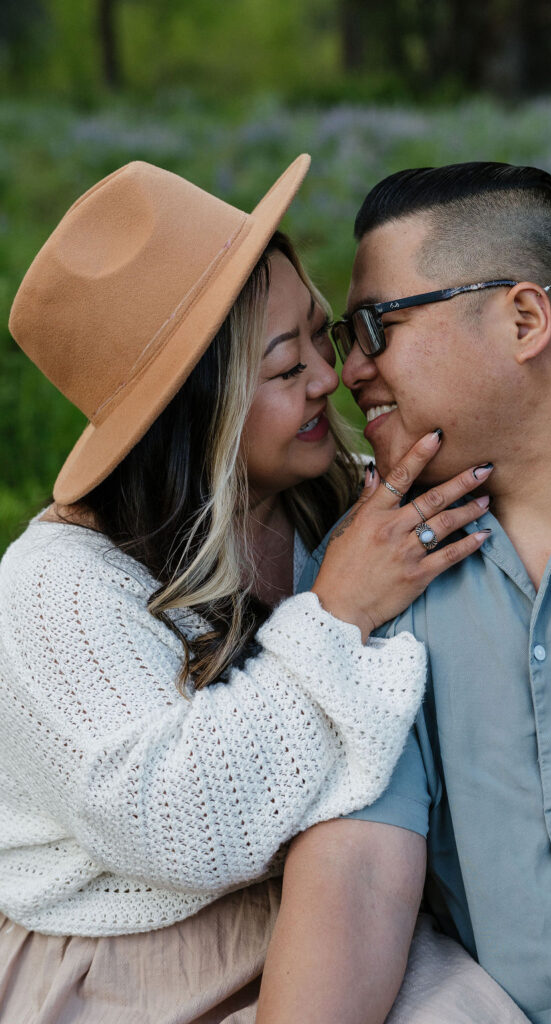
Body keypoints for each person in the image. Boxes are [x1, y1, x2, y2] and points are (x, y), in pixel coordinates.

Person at [0, 157, 492, 1023]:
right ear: (195, 413)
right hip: (124, 960)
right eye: (279, 366)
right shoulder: (56, 591)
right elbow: (175, 827)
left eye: (317, 331)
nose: (327, 378)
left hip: (328, 899)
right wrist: (336, 613)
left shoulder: (327, 504)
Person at [256, 162, 551, 1024]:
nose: (349, 373)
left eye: (377, 326)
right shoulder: (373, 562)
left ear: (522, 317)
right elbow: (357, 866)